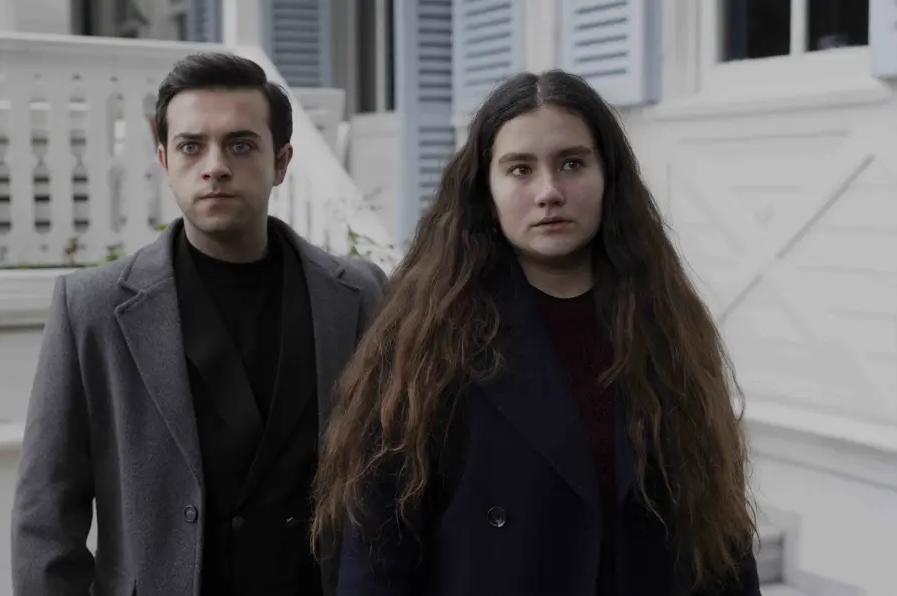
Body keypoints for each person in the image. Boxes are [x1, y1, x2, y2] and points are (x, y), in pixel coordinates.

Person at [311, 70, 761, 596]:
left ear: (608, 176)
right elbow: (377, 545)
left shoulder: (666, 326)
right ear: (487, 189)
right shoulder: (423, 340)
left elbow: (717, 528)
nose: (549, 192)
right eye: (520, 169)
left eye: (572, 163)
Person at [11, 52, 386, 596]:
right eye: (191, 147)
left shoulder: (359, 294)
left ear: (281, 161)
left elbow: (393, 479)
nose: (215, 166)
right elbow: (45, 520)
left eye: (241, 145)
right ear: (165, 160)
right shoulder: (90, 307)